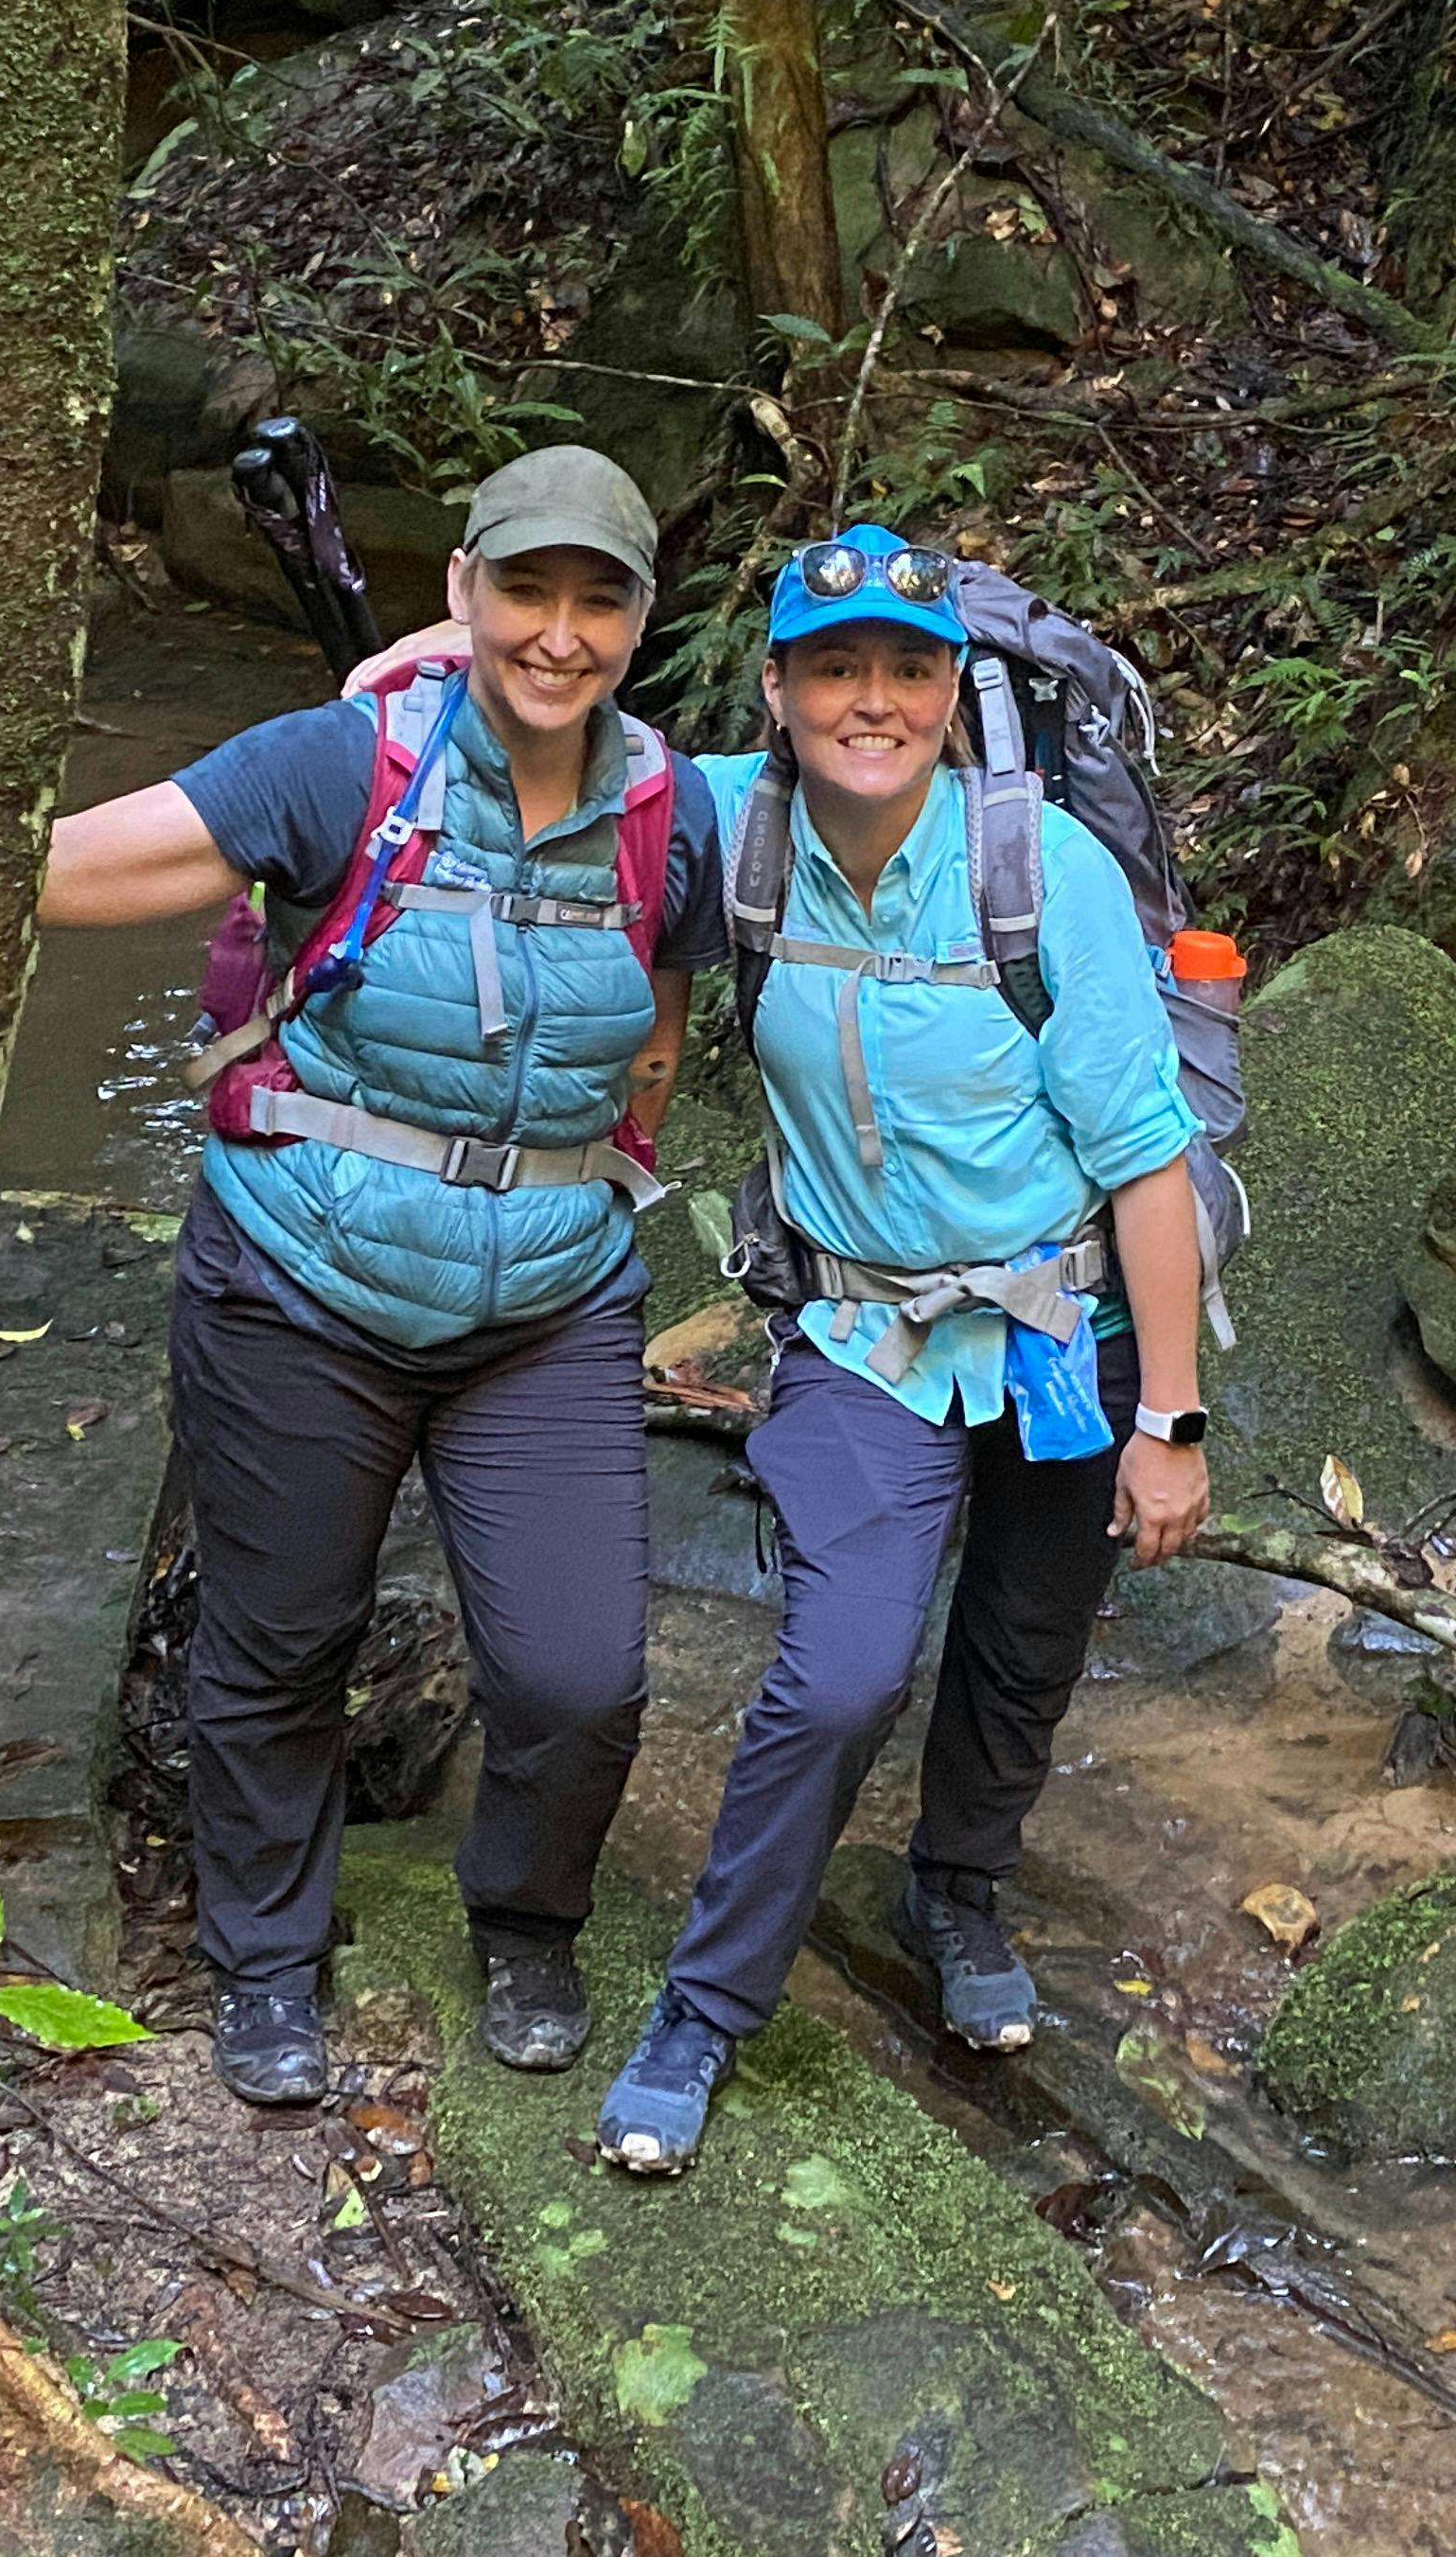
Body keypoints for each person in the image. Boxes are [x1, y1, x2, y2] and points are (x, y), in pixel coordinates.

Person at [38, 446, 726, 2107]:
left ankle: (529, 1916)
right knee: (281, 1640)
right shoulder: (339, 762)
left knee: (576, 1669)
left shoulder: (674, 809)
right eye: (527, 591)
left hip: (547, 1299)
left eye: (598, 600)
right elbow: (69, 869)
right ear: (465, 592)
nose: (558, 635)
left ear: (639, 621)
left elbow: (666, 1021)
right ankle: (267, 1960)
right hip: (300, 1282)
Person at [593, 522, 1217, 2175]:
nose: (873, 701)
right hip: (861, 1327)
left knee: (1025, 1638)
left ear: (951, 690)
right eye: (836, 667)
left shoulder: (1041, 875)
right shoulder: (733, 825)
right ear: (783, 686)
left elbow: (1148, 1158)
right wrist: (419, 668)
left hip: (1057, 1328)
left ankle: (961, 1894)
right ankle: (704, 2009)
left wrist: (1171, 1414)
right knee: (843, 1669)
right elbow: (560, 751)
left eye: (909, 670)